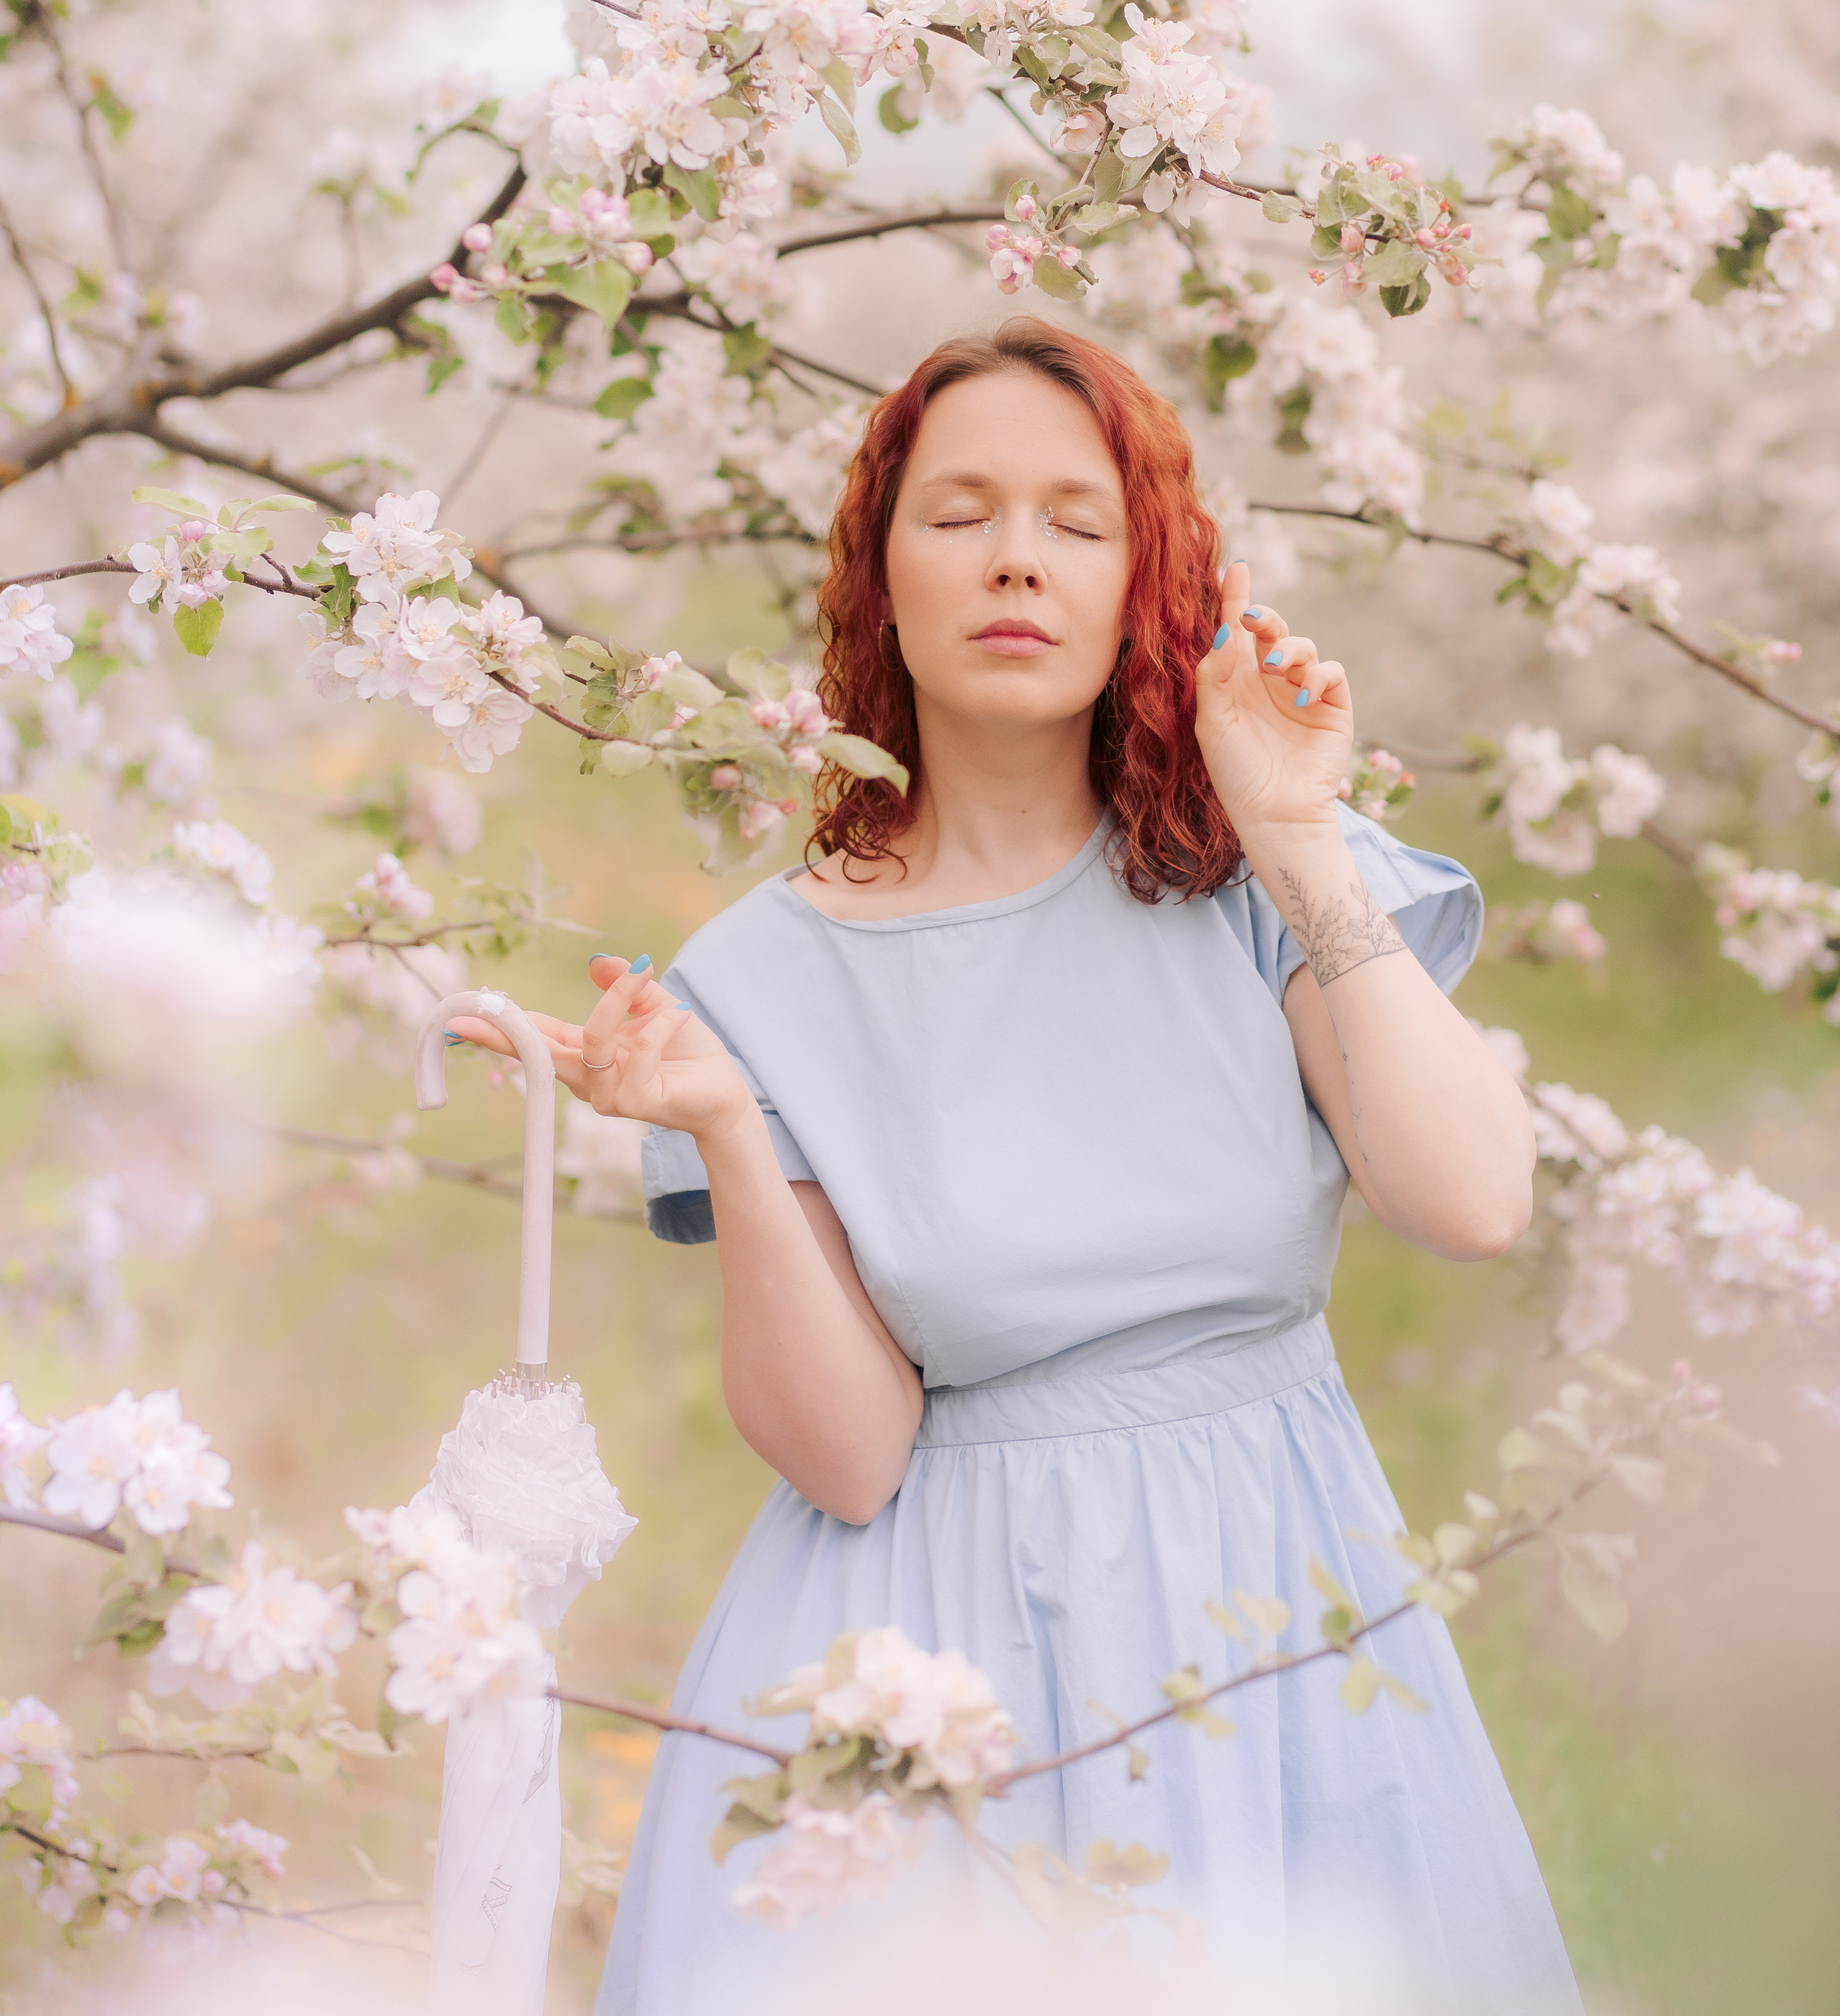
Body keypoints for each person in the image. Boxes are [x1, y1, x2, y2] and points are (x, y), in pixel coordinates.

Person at [457, 317, 1580, 2015]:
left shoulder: (1243, 867)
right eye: (957, 510)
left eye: (1075, 520)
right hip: (929, 1653)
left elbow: (1474, 1200)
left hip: (1270, 1596)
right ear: (876, 570)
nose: (1013, 561)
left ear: (1146, 575)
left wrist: (1293, 844)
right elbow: (846, 1457)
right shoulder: (758, 976)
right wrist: (730, 1135)